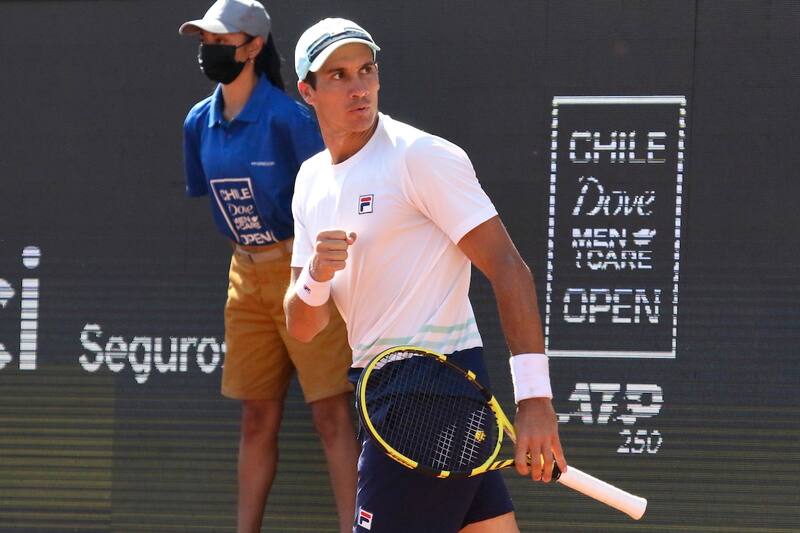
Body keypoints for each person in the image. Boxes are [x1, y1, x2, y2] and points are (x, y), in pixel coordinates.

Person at [284, 18, 568, 533]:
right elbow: (302, 325)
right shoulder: (310, 181)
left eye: (367, 70)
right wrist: (316, 277)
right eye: (339, 76)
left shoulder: (421, 158)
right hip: (386, 396)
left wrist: (535, 403)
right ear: (307, 91)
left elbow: (509, 269)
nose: (359, 87)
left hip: (434, 391)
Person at [178, 3, 359, 532]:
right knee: (256, 417)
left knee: (330, 414)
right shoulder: (198, 122)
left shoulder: (290, 119)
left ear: (254, 47)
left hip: (301, 271)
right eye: (204, 40)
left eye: (221, 40)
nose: (209, 50)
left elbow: (332, 190)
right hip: (244, 275)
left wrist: (316, 270)